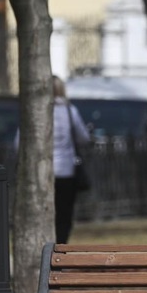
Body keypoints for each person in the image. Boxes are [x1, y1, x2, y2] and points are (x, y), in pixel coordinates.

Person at [51, 76, 91, 243]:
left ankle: (47, 247)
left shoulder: (36, 111)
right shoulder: (69, 111)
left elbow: (19, 142)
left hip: (45, 171)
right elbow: (83, 137)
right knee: (64, 214)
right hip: (66, 171)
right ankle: (60, 245)